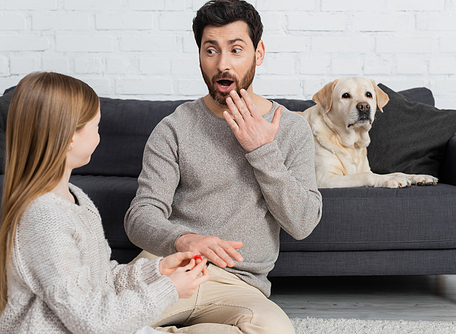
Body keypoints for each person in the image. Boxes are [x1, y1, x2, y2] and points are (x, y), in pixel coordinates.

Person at [124, 0, 323, 332]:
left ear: (258, 53)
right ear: (199, 54)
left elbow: (302, 223)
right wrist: (184, 240)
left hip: (238, 286)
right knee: (90, 322)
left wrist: (261, 150)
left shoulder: (290, 128)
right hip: (170, 268)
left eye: (236, 50)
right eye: (211, 50)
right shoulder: (173, 128)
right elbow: (139, 216)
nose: (222, 65)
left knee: (275, 330)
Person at [0, 72, 209, 334]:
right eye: (96, 126)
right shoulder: (44, 219)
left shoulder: (77, 199)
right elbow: (90, 320)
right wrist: (169, 290)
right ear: (70, 137)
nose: (100, 135)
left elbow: (101, 280)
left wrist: (158, 271)